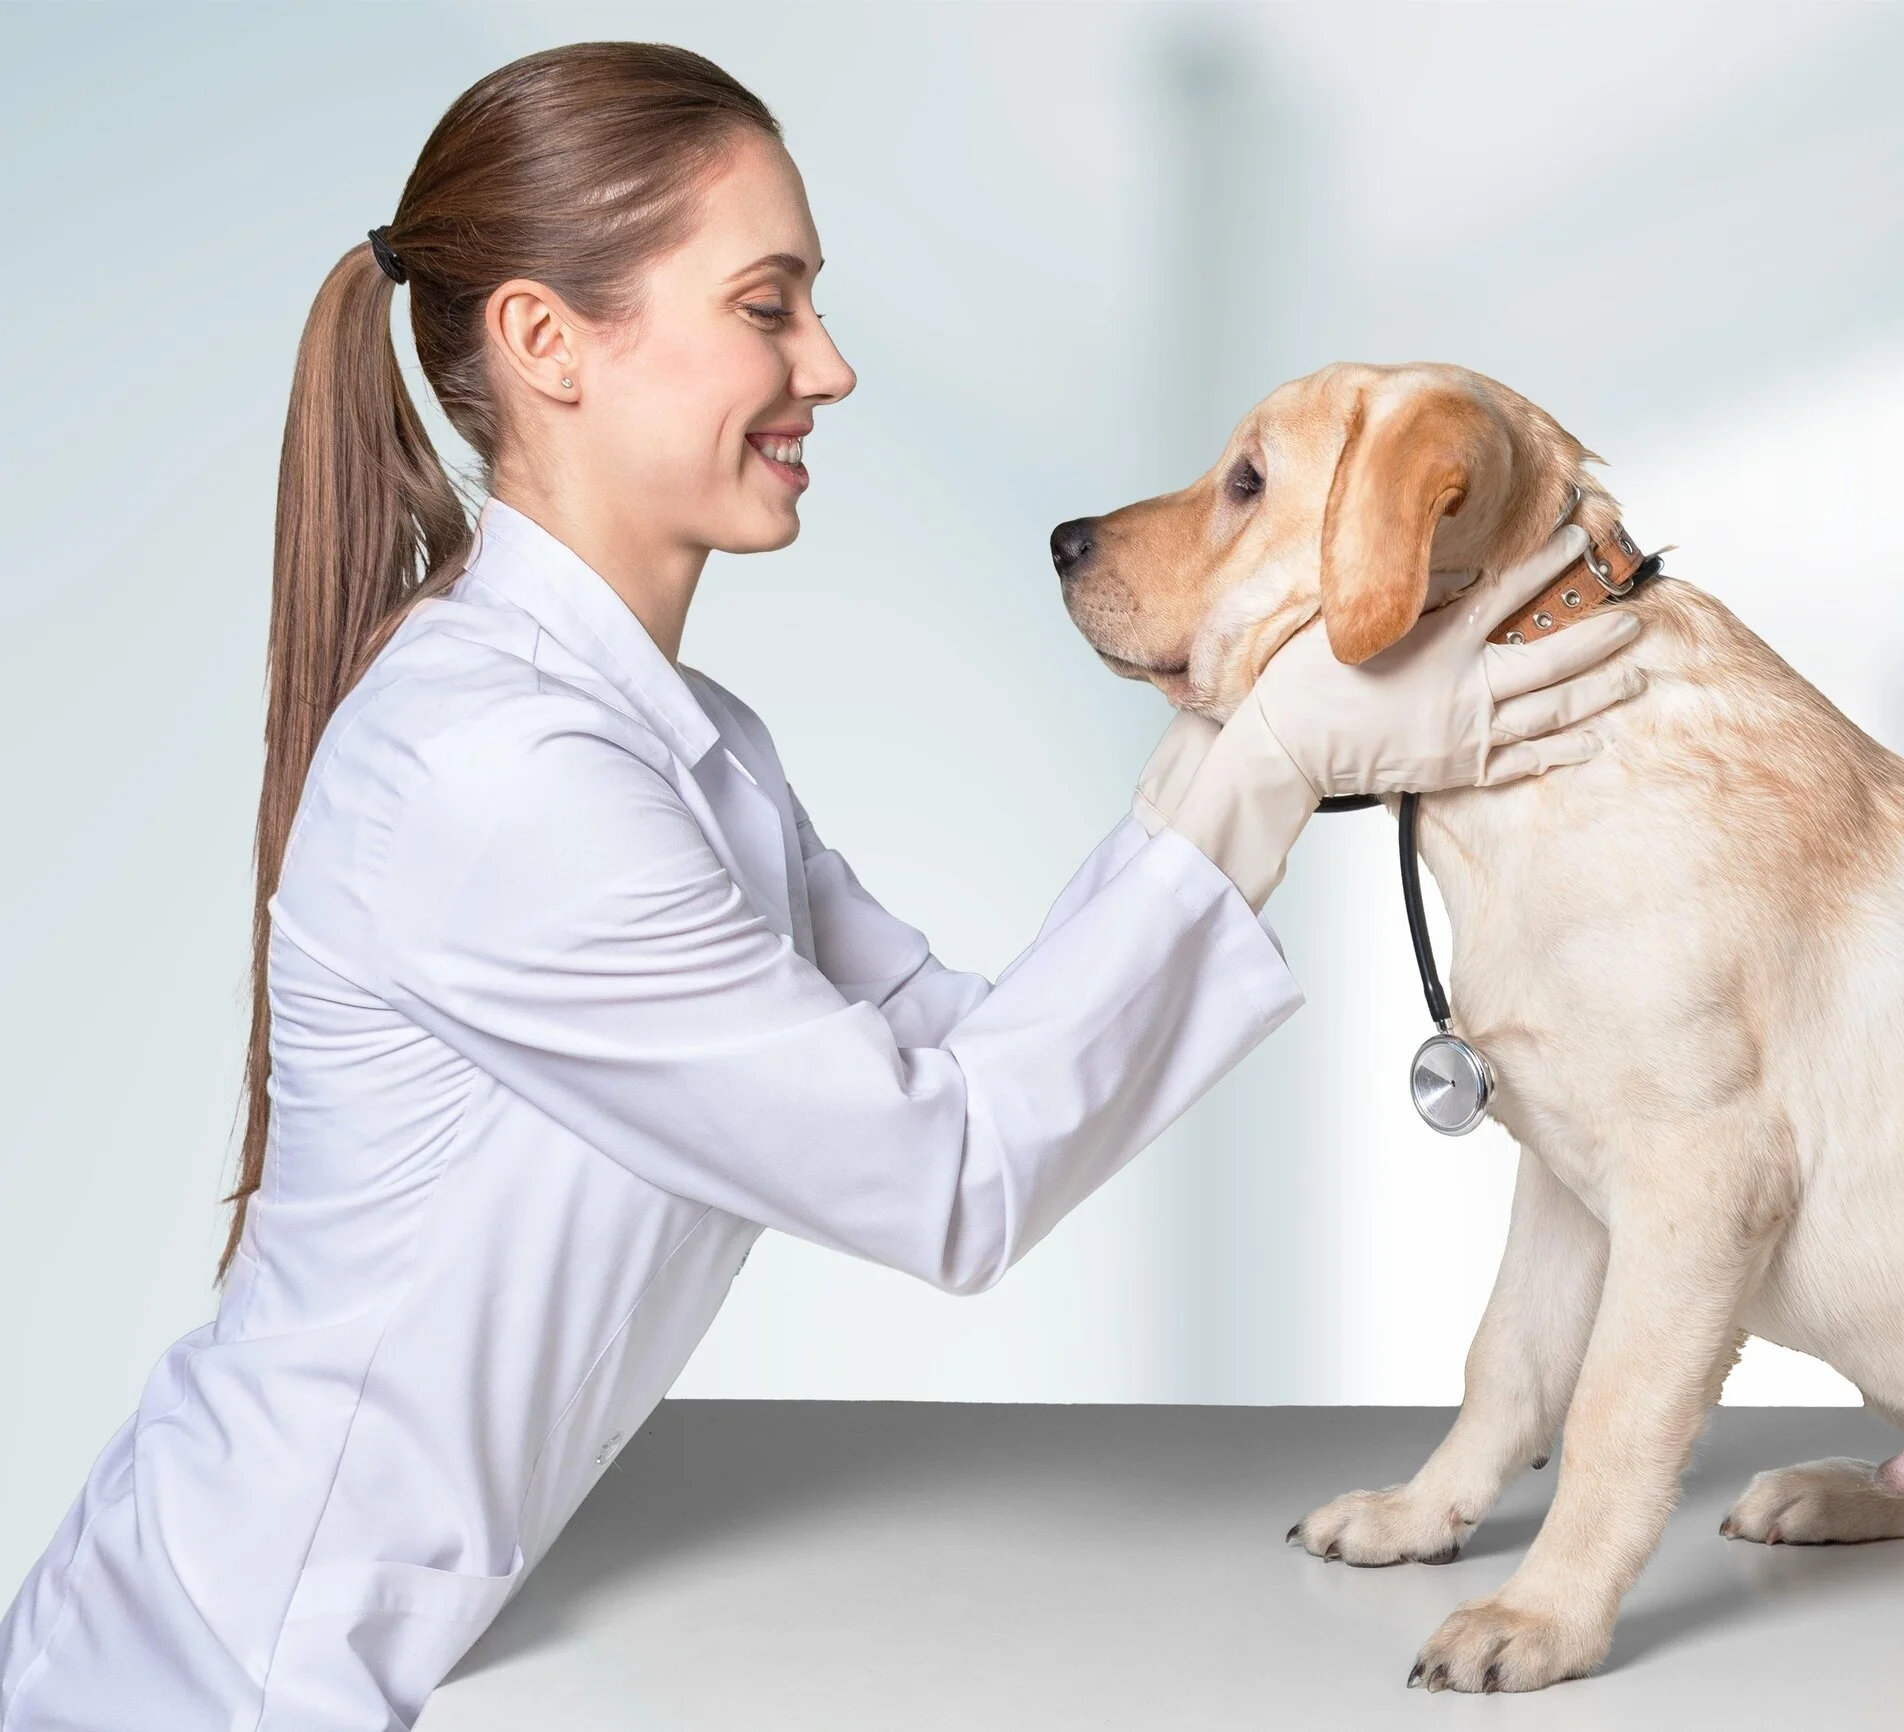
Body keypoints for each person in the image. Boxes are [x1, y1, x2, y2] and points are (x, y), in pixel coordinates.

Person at [0, 42, 1639, 1732]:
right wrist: (1277, 759)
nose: (831, 368)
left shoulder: (681, 741)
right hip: (208, 1674)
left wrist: (1256, 715)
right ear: (547, 343)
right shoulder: (499, 779)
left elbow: (974, 1051)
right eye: (768, 307)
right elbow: (950, 1177)